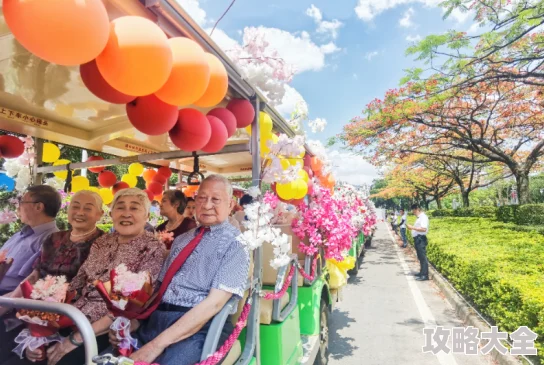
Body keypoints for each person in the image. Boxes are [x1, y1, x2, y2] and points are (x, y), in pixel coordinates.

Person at [109, 175, 250, 365]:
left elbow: (214, 304)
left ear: (231, 204)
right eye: (201, 198)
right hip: (158, 318)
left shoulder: (237, 244)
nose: (207, 205)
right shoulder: (182, 240)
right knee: (110, 357)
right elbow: (159, 289)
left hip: (201, 326)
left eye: (215, 199)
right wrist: (134, 320)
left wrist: (155, 345)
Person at [21, 188, 165, 365]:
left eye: (134, 208)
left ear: (146, 216)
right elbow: (75, 285)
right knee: (32, 356)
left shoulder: (153, 248)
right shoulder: (103, 242)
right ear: (111, 214)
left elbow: (131, 306)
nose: (126, 214)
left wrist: (75, 339)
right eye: (120, 207)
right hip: (73, 315)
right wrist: (41, 331)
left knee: (64, 360)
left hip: (105, 328)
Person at [0, 190, 106, 359]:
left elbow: (94, 291)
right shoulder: (54, 239)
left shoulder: (104, 243)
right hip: (39, 311)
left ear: (100, 214)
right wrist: (30, 326)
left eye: (88, 208)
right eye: (75, 206)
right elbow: (34, 276)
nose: (80, 212)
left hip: (75, 320)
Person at [0, 185, 61, 295]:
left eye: (22, 202)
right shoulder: (20, 234)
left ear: (38, 207)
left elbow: (29, 286)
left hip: (8, 299)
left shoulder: (51, 240)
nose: (18, 207)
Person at [407, 204, 430, 281]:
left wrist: (412, 227)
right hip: (417, 239)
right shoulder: (420, 217)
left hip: (420, 239)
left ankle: (425, 275)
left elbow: (423, 229)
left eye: (413, 210)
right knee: (420, 257)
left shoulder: (423, 217)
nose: (413, 212)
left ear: (417, 209)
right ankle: (421, 272)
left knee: (423, 257)